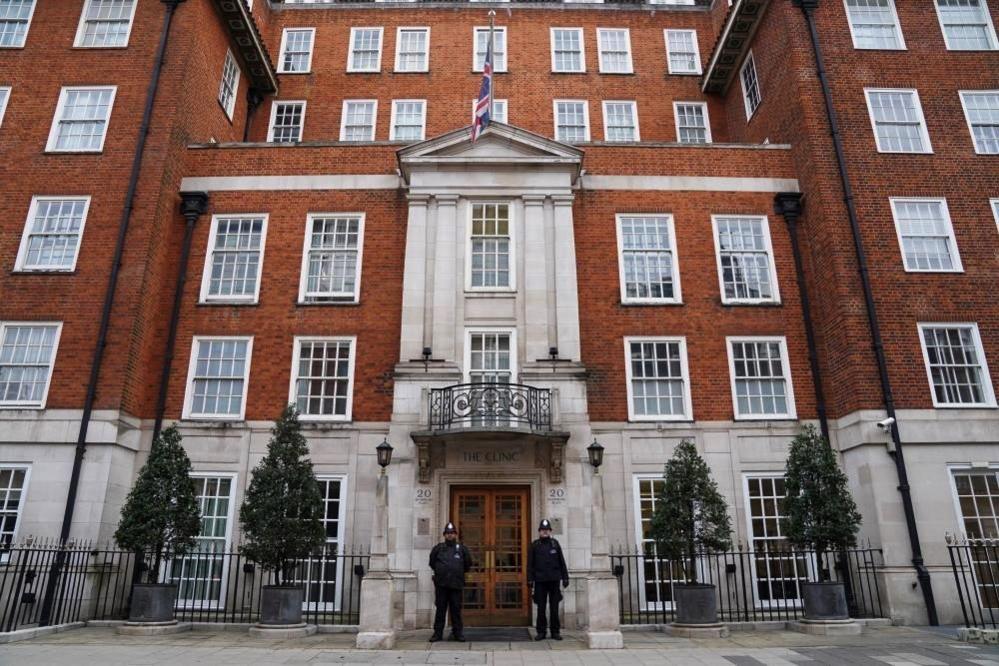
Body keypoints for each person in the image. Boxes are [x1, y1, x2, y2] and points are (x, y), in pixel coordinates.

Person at [428, 521, 472, 642]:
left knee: (456, 610)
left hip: (456, 585)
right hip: (441, 585)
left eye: (452, 533)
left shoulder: (462, 549)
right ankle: (437, 633)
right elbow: (432, 563)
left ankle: (458, 633)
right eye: (448, 533)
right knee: (441, 609)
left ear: (456, 535)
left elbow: (468, 564)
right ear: (444, 535)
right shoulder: (438, 548)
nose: (450, 535)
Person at [527, 518, 569, 640]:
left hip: (554, 580)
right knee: (541, 608)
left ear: (550, 531)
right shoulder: (535, 545)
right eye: (543, 530)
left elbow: (562, 562)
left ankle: (555, 632)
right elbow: (530, 564)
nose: (545, 532)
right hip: (540, 581)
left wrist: (565, 577)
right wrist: (529, 579)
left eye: (547, 530)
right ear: (539, 531)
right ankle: (541, 632)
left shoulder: (555, 544)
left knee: (554, 607)